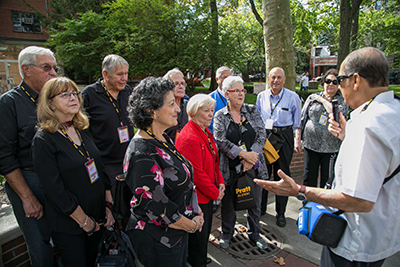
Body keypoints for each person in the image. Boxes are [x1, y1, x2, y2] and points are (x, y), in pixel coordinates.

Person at [254, 47, 400, 267]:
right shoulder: (392, 110)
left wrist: (300, 190)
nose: (336, 86)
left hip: (354, 243)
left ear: (356, 80)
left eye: (339, 80)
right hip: (381, 235)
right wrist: (345, 137)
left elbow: (358, 199)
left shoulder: (368, 125)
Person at [32, 77, 115, 266]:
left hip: (97, 217)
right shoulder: (44, 140)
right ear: (50, 103)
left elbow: (99, 168)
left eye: (75, 93)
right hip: (71, 225)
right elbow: (55, 190)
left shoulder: (81, 129)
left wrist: (108, 207)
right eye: (65, 95)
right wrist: (85, 222)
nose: (73, 98)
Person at [123, 77, 204, 267]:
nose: (178, 109)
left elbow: (185, 180)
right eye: (171, 104)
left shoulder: (163, 138)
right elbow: (159, 210)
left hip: (178, 233)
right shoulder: (141, 153)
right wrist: (192, 225)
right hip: (158, 241)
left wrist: (195, 210)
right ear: (151, 111)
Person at [0, 46, 57, 267]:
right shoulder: (9, 104)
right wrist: (27, 197)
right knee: (41, 247)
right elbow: (4, 156)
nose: (53, 73)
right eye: (46, 68)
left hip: (55, 179)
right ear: (26, 70)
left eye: (54, 68)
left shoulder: (53, 100)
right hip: (29, 181)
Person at [214, 76, 269, 250]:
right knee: (228, 203)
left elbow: (261, 135)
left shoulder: (252, 111)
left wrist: (251, 157)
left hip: (254, 166)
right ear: (226, 94)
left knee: (255, 202)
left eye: (242, 90)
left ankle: (255, 233)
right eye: (236, 90)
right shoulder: (220, 116)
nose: (241, 93)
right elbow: (220, 140)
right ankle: (227, 233)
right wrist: (243, 155)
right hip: (230, 167)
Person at [175, 94, 225, 267]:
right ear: (194, 112)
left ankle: (200, 258)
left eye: (212, 110)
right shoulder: (189, 136)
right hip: (197, 198)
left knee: (202, 236)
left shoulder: (204, 131)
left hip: (207, 195)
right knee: (197, 238)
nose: (211, 114)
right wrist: (215, 193)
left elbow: (214, 161)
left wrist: (220, 182)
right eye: (206, 111)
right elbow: (195, 172)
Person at [81, 55, 134, 196]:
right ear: (105, 74)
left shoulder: (127, 91)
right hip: (106, 162)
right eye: (119, 74)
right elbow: (82, 129)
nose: (124, 78)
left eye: (126, 73)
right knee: (114, 202)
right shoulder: (89, 95)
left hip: (128, 158)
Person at [256, 67, 301, 227]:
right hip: (266, 138)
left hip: (284, 137)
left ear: (284, 79)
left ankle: (281, 213)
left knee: (282, 174)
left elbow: (296, 122)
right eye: (273, 77)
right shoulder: (261, 97)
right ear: (268, 79)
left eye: (279, 77)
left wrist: (296, 139)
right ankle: (260, 209)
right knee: (263, 173)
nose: (276, 81)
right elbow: (258, 118)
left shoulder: (293, 97)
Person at [295, 69, 348, 188]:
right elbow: (301, 119)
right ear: (323, 82)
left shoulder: (342, 100)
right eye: (328, 81)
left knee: (327, 180)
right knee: (309, 178)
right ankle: (308, 203)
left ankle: (325, 205)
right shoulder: (311, 98)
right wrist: (297, 139)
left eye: (335, 82)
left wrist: (322, 100)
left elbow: (335, 113)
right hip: (311, 145)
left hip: (331, 148)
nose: (331, 84)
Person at [163, 68, 189, 142]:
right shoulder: (161, 107)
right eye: (176, 84)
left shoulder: (188, 105)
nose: (180, 86)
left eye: (182, 84)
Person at [208, 66, 232, 134]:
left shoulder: (238, 97)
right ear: (217, 79)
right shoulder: (209, 99)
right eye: (224, 77)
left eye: (229, 78)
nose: (227, 80)